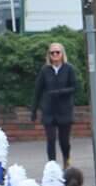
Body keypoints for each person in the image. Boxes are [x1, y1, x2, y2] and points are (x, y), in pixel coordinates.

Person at [33, 41, 78, 169]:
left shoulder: (69, 69)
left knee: (64, 140)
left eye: (57, 52)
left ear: (62, 54)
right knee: (51, 139)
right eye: (52, 53)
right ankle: (52, 166)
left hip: (64, 110)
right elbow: (38, 89)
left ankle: (66, 160)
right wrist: (34, 109)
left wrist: (60, 92)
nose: (55, 55)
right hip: (49, 110)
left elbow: (75, 87)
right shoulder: (45, 70)